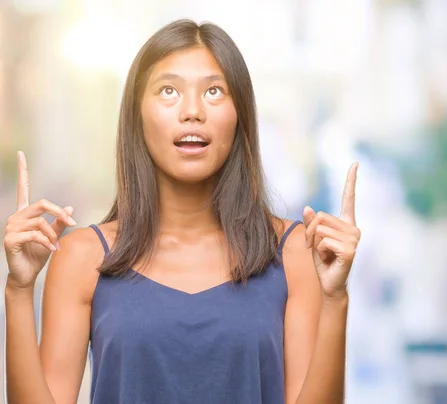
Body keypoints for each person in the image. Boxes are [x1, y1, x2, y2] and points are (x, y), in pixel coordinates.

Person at [3, 19, 360, 404]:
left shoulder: (292, 254)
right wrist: (19, 289)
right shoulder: (81, 258)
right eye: (169, 91)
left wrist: (336, 297)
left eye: (214, 91)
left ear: (239, 115)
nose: (192, 111)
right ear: (137, 116)